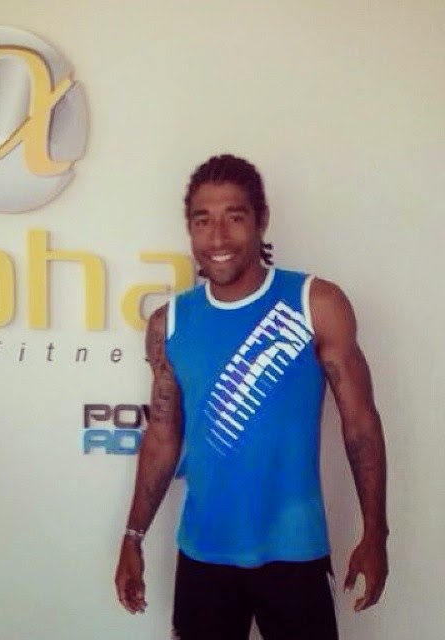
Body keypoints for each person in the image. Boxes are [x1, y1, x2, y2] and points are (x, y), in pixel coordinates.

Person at [114, 154, 388, 639]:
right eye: (203, 221)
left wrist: (375, 532)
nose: (217, 237)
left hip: (294, 552)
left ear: (262, 220)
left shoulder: (315, 303)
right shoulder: (169, 323)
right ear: (190, 229)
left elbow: (360, 423)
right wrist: (133, 535)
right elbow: (162, 437)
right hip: (203, 553)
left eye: (234, 218)